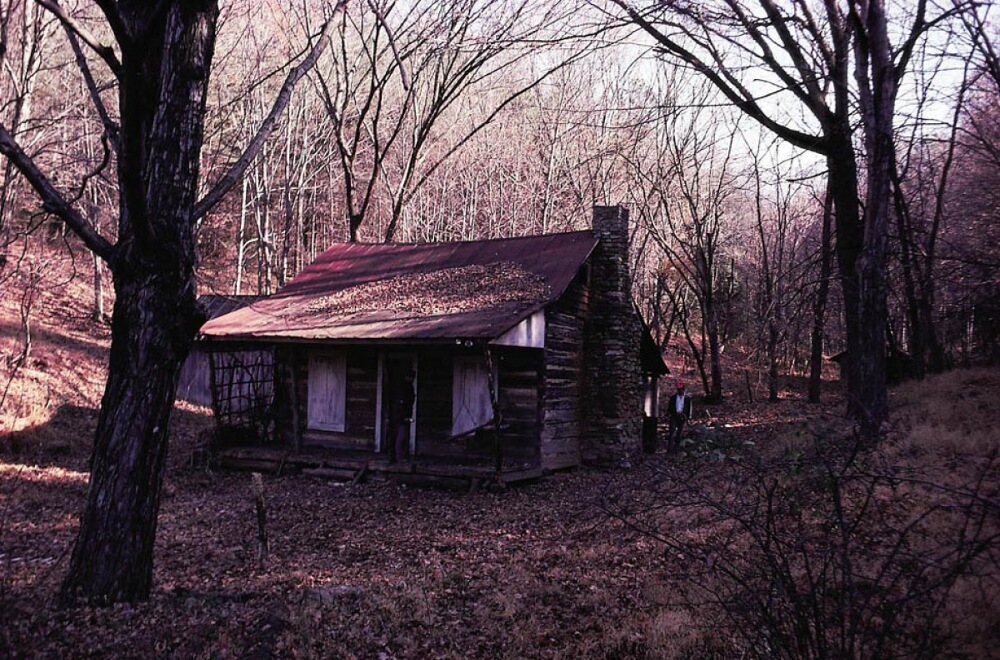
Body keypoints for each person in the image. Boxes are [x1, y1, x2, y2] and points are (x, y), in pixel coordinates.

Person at [390, 370, 416, 463]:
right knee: (401, 437)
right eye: (410, 377)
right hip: (401, 416)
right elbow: (401, 405)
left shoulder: (409, 388)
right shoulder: (403, 389)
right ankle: (399, 457)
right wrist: (403, 417)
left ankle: (401, 456)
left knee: (403, 437)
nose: (411, 379)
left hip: (405, 415)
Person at [666, 380, 693, 453]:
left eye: (680, 389)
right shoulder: (673, 397)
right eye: (678, 389)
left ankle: (677, 448)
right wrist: (669, 414)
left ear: (683, 389)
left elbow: (689, 408)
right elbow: (670, 406)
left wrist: (688, 417)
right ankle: (670, 449)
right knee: (672, 432)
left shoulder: (687, 398)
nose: (679, 391)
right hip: (674, 416)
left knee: (679, 433)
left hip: (682, 416)